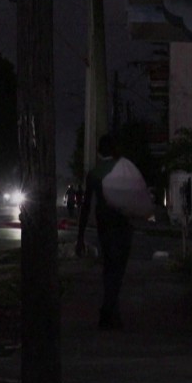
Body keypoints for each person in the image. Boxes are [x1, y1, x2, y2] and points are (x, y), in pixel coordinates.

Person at [76, 134, 134, 330]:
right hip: (122, 225)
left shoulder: (94, 174)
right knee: (117, 270)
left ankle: (110, 311)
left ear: (99, 151)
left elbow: (86, 206)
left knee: (109, 267)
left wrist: (80, 237)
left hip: (104, 225)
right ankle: (109, 311)